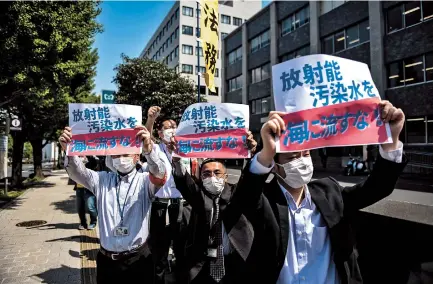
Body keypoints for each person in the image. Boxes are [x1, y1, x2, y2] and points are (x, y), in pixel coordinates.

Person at [236, 100, 407, 283]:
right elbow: (243, 197)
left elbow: (377, 188)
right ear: (275, 166)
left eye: (306, 154)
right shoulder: (263, 200)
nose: (302, 160)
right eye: (293, 156)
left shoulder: (330, 192)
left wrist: (391, 140)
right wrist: (265, 152)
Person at [58, 125, 167, 284]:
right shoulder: (102, 180)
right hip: (107, 260)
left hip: (138, 259)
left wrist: (149, 150)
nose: (120, 158)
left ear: (136, 156)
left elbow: (159, 174)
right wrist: (69, 149)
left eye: (125, 154)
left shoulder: (145, 181)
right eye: (116, 155)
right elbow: (77, 172)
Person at [170, 131, 258, 284]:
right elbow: (184, 183)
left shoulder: (236, 194)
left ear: (226, 176)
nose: (212, 178)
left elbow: (249, 180)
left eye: (217, 173)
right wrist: (177, 160)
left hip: (235, 262)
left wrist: (250, 154)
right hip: (203, 265)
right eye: (206, 174)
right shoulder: (199, 197)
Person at [75, 156, 98, 230]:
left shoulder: (91, 160)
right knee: (80, 208)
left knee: (90, 207)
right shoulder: (76, 159)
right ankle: (83, 223)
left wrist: (88, 157)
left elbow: (94, 165)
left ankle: (93, 222)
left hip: (88, 189)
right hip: (79, 188)